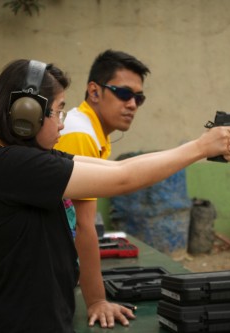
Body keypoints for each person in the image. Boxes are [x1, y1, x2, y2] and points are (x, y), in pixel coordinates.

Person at [0, 58, 230, 332]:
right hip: (15, 321)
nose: (62, 123)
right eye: (58, 111)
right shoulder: (14, 165)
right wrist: (199, 147)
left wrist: (199, 147)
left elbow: (121, 168)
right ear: (27, 114)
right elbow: (122, 180)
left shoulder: (17, 159)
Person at [54, 49, 150, 328]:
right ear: (94, 92)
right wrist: (96, 301)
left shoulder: (87, 130)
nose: (132, 104)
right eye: (123, 93)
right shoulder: (79, 134)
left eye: (139, 98)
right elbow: (83, 226)